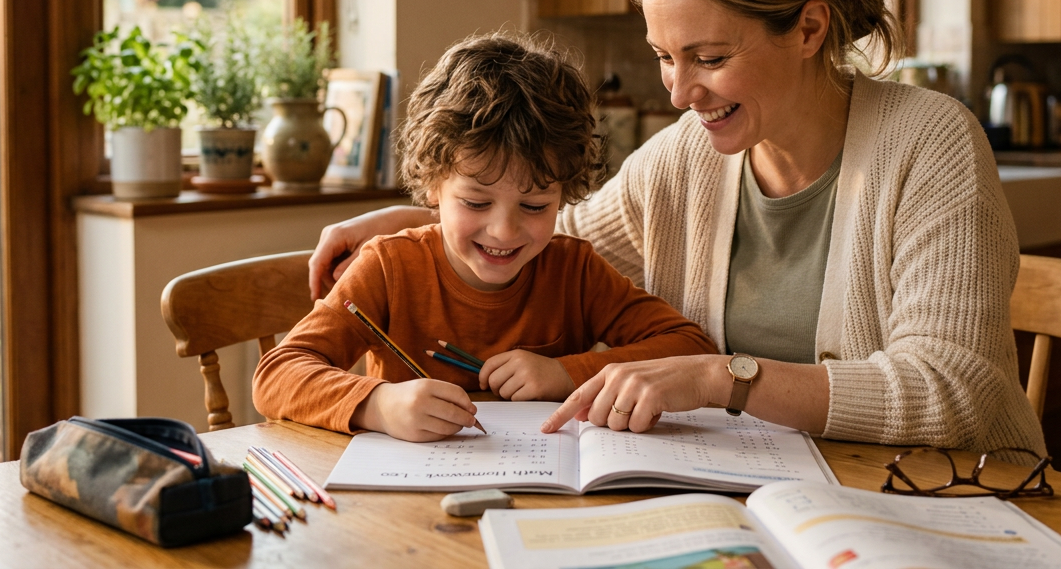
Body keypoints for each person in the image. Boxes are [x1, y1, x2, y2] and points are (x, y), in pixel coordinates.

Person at [308, 0, 1047, 457]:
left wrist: (724, 377)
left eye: (710, 58)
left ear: (809, 28)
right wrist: (416, 218)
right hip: (762, 502)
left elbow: (954, 392)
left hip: (942, 501)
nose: (680, 92)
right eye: (666, 57)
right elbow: (548, 235)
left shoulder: (929, 143)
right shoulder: (687, 157)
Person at [252, 33, 716, 442]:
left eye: (535, 207)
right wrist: (378, 405)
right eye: (476, 203)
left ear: (564, 192)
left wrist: (563, 373)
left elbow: (691, 348)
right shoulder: (390, 267)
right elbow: (276, 374)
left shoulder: (573, 270)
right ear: (433, 185)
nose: (504, 231)